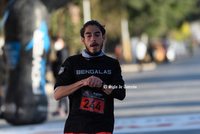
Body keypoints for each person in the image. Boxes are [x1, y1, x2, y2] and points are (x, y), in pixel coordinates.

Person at [54, 20, 126, 134]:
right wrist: (83, 82)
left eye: (97, 35)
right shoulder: (71, 62)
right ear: (83, 40)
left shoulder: (112, 64)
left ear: (103, 38)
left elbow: (121, 93)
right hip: (75, 127)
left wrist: (102, 86)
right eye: (89, 36)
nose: (93, 39)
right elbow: (58, 94)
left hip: (102, 127)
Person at [51, 36, 69, 116]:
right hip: (60, 75)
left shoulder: (62, 51)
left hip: (61, 75)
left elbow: (62, 64)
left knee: (61, 92)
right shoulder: (60, 51)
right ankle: (65, 109)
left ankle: (61, 109)